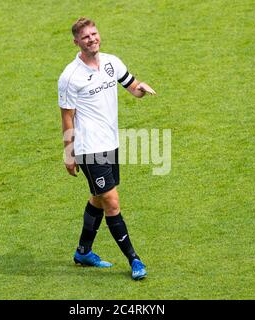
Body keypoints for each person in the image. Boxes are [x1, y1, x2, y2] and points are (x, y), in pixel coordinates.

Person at [58, 17, 156, 280]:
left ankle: (83, 252)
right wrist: (69, 154)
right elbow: (67, 117)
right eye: (86, 36)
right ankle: (134, 260)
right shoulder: (70, 77)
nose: (92, 39)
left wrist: (141, 89)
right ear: (76, 42)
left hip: (111, 143)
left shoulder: (112, 62)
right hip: (89, 148)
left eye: (94, 33)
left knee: (99, 199)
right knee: (112, 203)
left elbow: (131, 86)